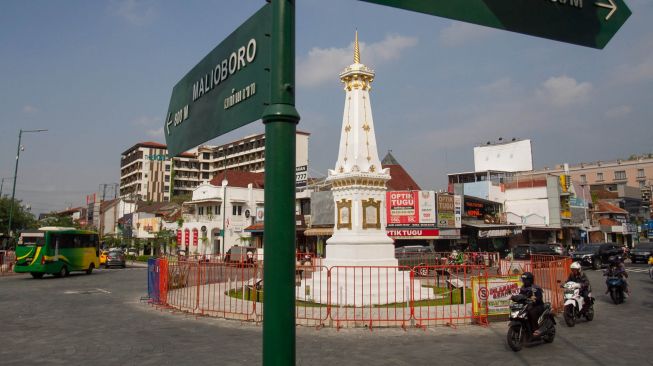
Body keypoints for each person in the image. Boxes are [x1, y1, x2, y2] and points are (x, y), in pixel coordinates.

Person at [519, 272, 545, 337]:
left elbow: (539, 297)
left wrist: (535, 298)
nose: (524, 281)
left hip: (538, 305)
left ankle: (536, 329)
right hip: (528, 305)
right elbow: (521, 295)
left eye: (525, 280)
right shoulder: (523, 287)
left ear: (530, 280)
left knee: (531, 312)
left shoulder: (535, 288)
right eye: (523, 280)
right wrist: (514, 297)